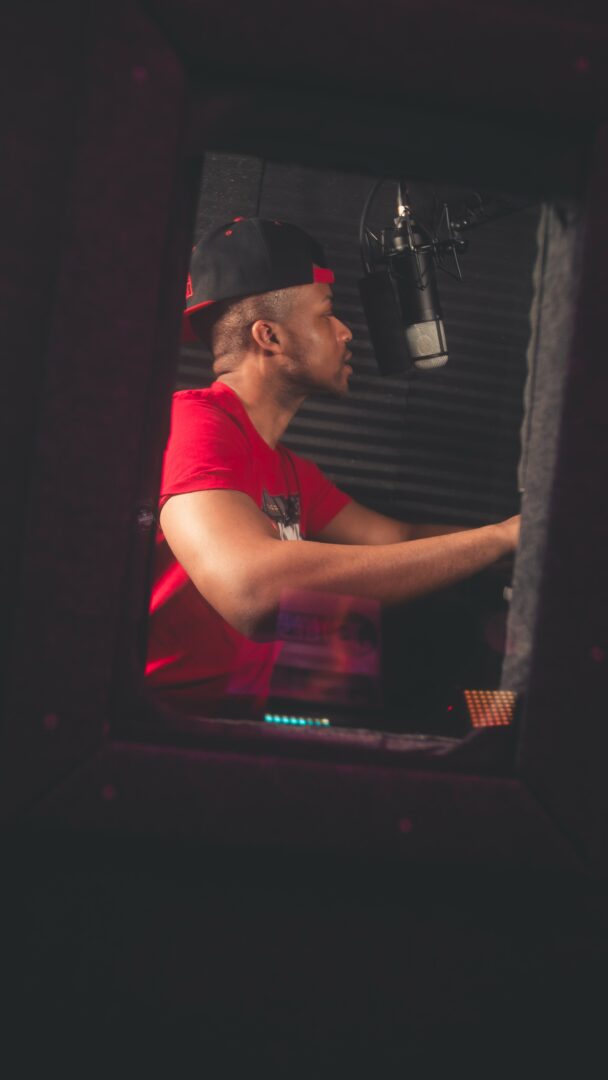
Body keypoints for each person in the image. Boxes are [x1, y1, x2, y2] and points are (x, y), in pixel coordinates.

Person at [145, 217, 519, 717]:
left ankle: (512, 722)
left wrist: (523, 544)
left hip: (263, 694)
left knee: (461, 662)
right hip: (179, 721)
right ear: (269, 336)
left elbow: (399, 538)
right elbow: (252, 592)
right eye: (326, 314)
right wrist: (499, 538)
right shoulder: (192, 423)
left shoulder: (288, 469)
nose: (345, 331)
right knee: (450, 680)